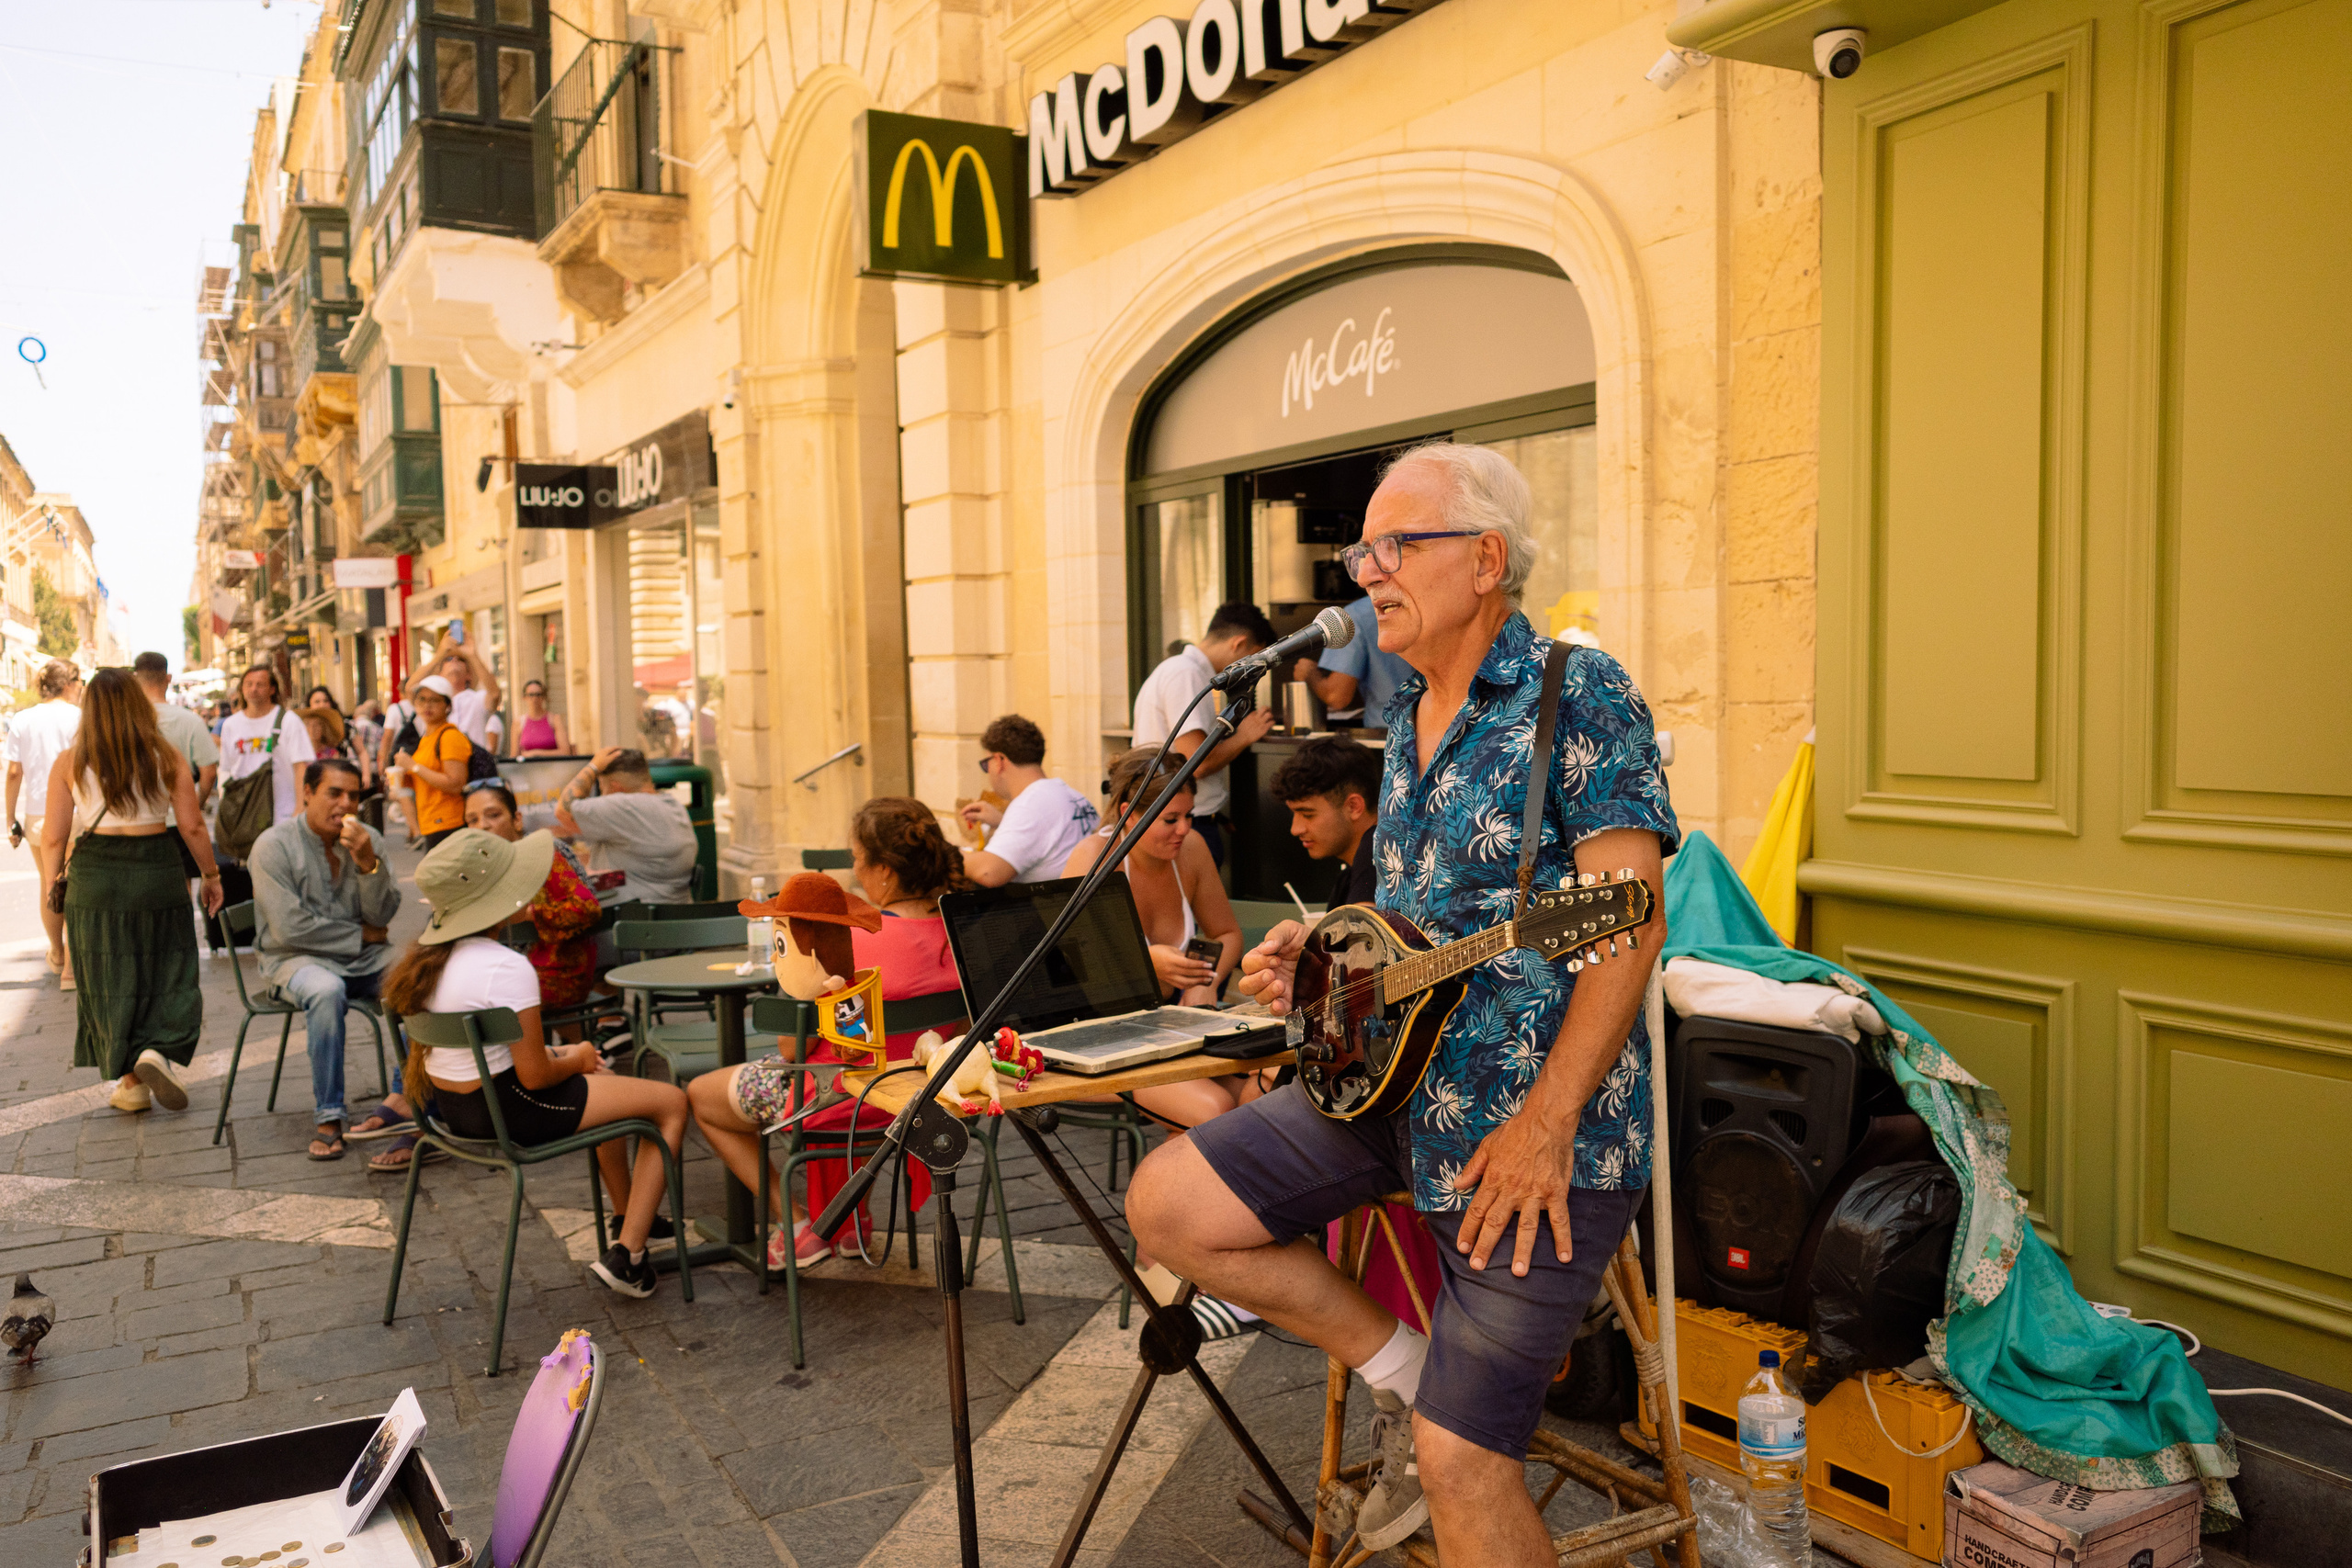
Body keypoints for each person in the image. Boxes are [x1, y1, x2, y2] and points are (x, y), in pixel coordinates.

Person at [1127, 443, 1677, 1564]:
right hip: (1387, 1090)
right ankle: (1406, 1370)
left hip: (1525, 1140)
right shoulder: (1411, 715)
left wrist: (1544, 1127)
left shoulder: (1581, 692)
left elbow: (1625, 924)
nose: (1364, 573)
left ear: (1484, 560)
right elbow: (1413, 915)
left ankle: (1442, 1425)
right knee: (1171, 1204)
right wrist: (1327, 963)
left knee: (1461, 1468)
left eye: (1393, 546)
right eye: (1359, 551)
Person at [383, 828, 691, 1297]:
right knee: (670, 1102)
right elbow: (535, 1075)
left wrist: (570, 1058)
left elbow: (499, 1056)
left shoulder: (428, 961)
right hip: (513, 1111)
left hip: (454, 1110)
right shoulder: (506, 966)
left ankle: (631, 1217)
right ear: (496, 900)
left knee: (602, 1080)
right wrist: (580, 1053)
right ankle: (628, 1259)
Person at [690, 799, 968, 1267]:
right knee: (865, 1068)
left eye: (858, 858)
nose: (855, 870)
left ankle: (797, 1220)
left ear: (884, 870)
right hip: (913, 1102)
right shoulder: (958, 934)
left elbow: (792, 1046)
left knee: (700, 1095)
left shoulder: (850, 941)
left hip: (828, 1102)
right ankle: (843, 1223)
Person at [42, 669, 223, 1114]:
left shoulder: (70, 761)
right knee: (169, 963)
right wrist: (212, 875)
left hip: (96, 876)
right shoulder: (166, 755)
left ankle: (130, 1082)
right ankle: (157, 1049)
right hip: (156, 868)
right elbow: (193, 824)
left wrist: (52, 884)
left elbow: (53, 836)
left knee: (107, 975)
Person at [1063, 749, 1257, 1120]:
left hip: (1174, 1029)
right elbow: (1069, 970)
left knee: (1257, 1095)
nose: (1184, 829)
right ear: (1129, 814)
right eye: (1171, 819)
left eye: (1190, 816)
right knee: (1214, 1109)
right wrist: (1142, 964)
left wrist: (1208, 982)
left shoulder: (1192, 850)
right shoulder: (1093, 860)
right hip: (1102, 1039)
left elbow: (1227, 933)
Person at [248, 758, 403, 1161]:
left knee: (419, 975)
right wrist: (361, 935)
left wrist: (368, 865)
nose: (345, 805)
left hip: (364, 959)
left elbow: (383, 917)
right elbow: (289, 929)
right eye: (334, 793)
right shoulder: (273, 845)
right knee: (326, 989)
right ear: (307, 793)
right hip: (295, 959)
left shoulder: (367, 839)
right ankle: (329, 1114)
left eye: (353, 796)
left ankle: (406, 1100)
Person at [1129, 601, 1279, 866]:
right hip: (1186, 824)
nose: (1255, 671)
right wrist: (1245, 734)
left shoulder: (1182, 670)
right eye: (1256, 659)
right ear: (1238, 644)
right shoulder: (1186, 674)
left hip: (1187, 818)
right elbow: (1196, 763)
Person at [6, 660, 85, 986]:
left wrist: (11, 818)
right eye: (79, 680)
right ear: (68, 683)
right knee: (80, 887)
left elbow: (14, 773)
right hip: (81, 810)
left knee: (50, 884)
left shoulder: (22, 719)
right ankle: (74, 966)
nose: (82, 686)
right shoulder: (80, 717)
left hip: (39, 814)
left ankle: (58, 953)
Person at [956, 715, 1099, 886]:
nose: (988, 773)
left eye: (986, 765)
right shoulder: (1071, 795)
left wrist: (947, 853)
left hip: (1052, 910)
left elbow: (988, 872)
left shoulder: (1031, 804)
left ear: (999, 760)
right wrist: (1003, 822)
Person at [554, 747, 697, 903]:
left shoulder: (626, 806)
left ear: (616, 788)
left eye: (602, 788)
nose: (602, 795)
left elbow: (563, 811)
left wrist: (593, 767)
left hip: (631, 920)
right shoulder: (672, 804)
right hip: (670, 913)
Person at [1269, 737, 1384, 908]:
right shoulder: (1347, 879)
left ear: (1353, 807)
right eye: (1293, 814)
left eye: (1307, 814)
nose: (1295, 829)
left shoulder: (1380, 859)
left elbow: (1360, 934)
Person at [1296, 591, 1418, 729]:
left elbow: (1336, 697)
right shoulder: (1432, 602)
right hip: (1439, 732)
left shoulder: (1358, 614)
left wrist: (1309, 673)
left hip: (1388, 734)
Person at [392, 675, 471, 851]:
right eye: (422, 699)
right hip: (430, 823)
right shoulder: (426, 737)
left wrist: (413, 766)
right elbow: (425, 780)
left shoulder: (450, 736)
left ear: (447, 706)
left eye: (435, 700)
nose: (427, 705)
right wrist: (404, 778)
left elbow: (455, 784)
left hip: (448, 823)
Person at [406, 629, 500, 750]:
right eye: (448, 659)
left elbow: (494, 694)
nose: (454, 660)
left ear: (469, 675)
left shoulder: (477, 699)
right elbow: (409, 689)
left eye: (460, 659)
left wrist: (472, 655)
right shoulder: (430, 701)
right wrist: (439, 655)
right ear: (440, 673)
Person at [377, 691, 422, 845]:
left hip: (401, 758)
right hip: (421, 755)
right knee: (416, 792)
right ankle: (413, 831)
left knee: (402, 792)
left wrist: (382, 760)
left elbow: (388, 736)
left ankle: (416, 832)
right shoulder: (421, 708)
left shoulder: (395, 709)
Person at [513, 680, 571, 757]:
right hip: (527, 768)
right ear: (524, 697)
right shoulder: (518, 722)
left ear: (544, 697)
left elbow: (566, 752)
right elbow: (514, 755)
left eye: (538, 694)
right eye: (531, 695)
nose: (535, 698)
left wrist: (536, 753)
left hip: (552, 767)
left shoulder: (555, 720)